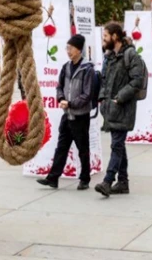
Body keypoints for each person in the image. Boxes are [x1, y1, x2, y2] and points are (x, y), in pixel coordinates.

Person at [37, 34, 95, 190]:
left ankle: (85, 179)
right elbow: (59, 87)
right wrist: (61, 98)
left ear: (79, 50)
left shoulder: (87, 69)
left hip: (80, 116)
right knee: (61, 147)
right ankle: (53, 178)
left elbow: (87, 94)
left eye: (71, 48)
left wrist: (70, 104)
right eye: (67, 48)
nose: (68, 51)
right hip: (67, 115)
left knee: (83, 149)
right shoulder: (66, 67)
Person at [95, 23, 145, 197]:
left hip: (123, 108)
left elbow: (137, 80)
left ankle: (108, 181)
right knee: (119, 145)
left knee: (116, 144)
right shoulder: (109, 57)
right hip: (110, 108)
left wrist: (120, 97)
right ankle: (123, 182)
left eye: (106, 36)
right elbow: (103, 79)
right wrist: (102, 98)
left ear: (115, 37)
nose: (104, 40)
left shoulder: (130, 55)